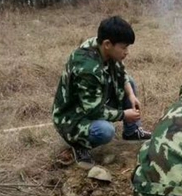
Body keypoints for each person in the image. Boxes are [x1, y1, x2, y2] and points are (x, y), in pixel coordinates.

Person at [53, 16, 151, 169]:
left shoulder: (101, 45)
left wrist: (131, 95)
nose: (127, 52)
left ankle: (131, 132)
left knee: (129, 82)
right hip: (72, 116)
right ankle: (79, 145)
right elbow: (94, 111)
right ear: (107, 44)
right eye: (124, 48)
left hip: (90, 101)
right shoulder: (88, 70)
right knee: (105, 131)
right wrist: (124, 114)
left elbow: (121, 73)